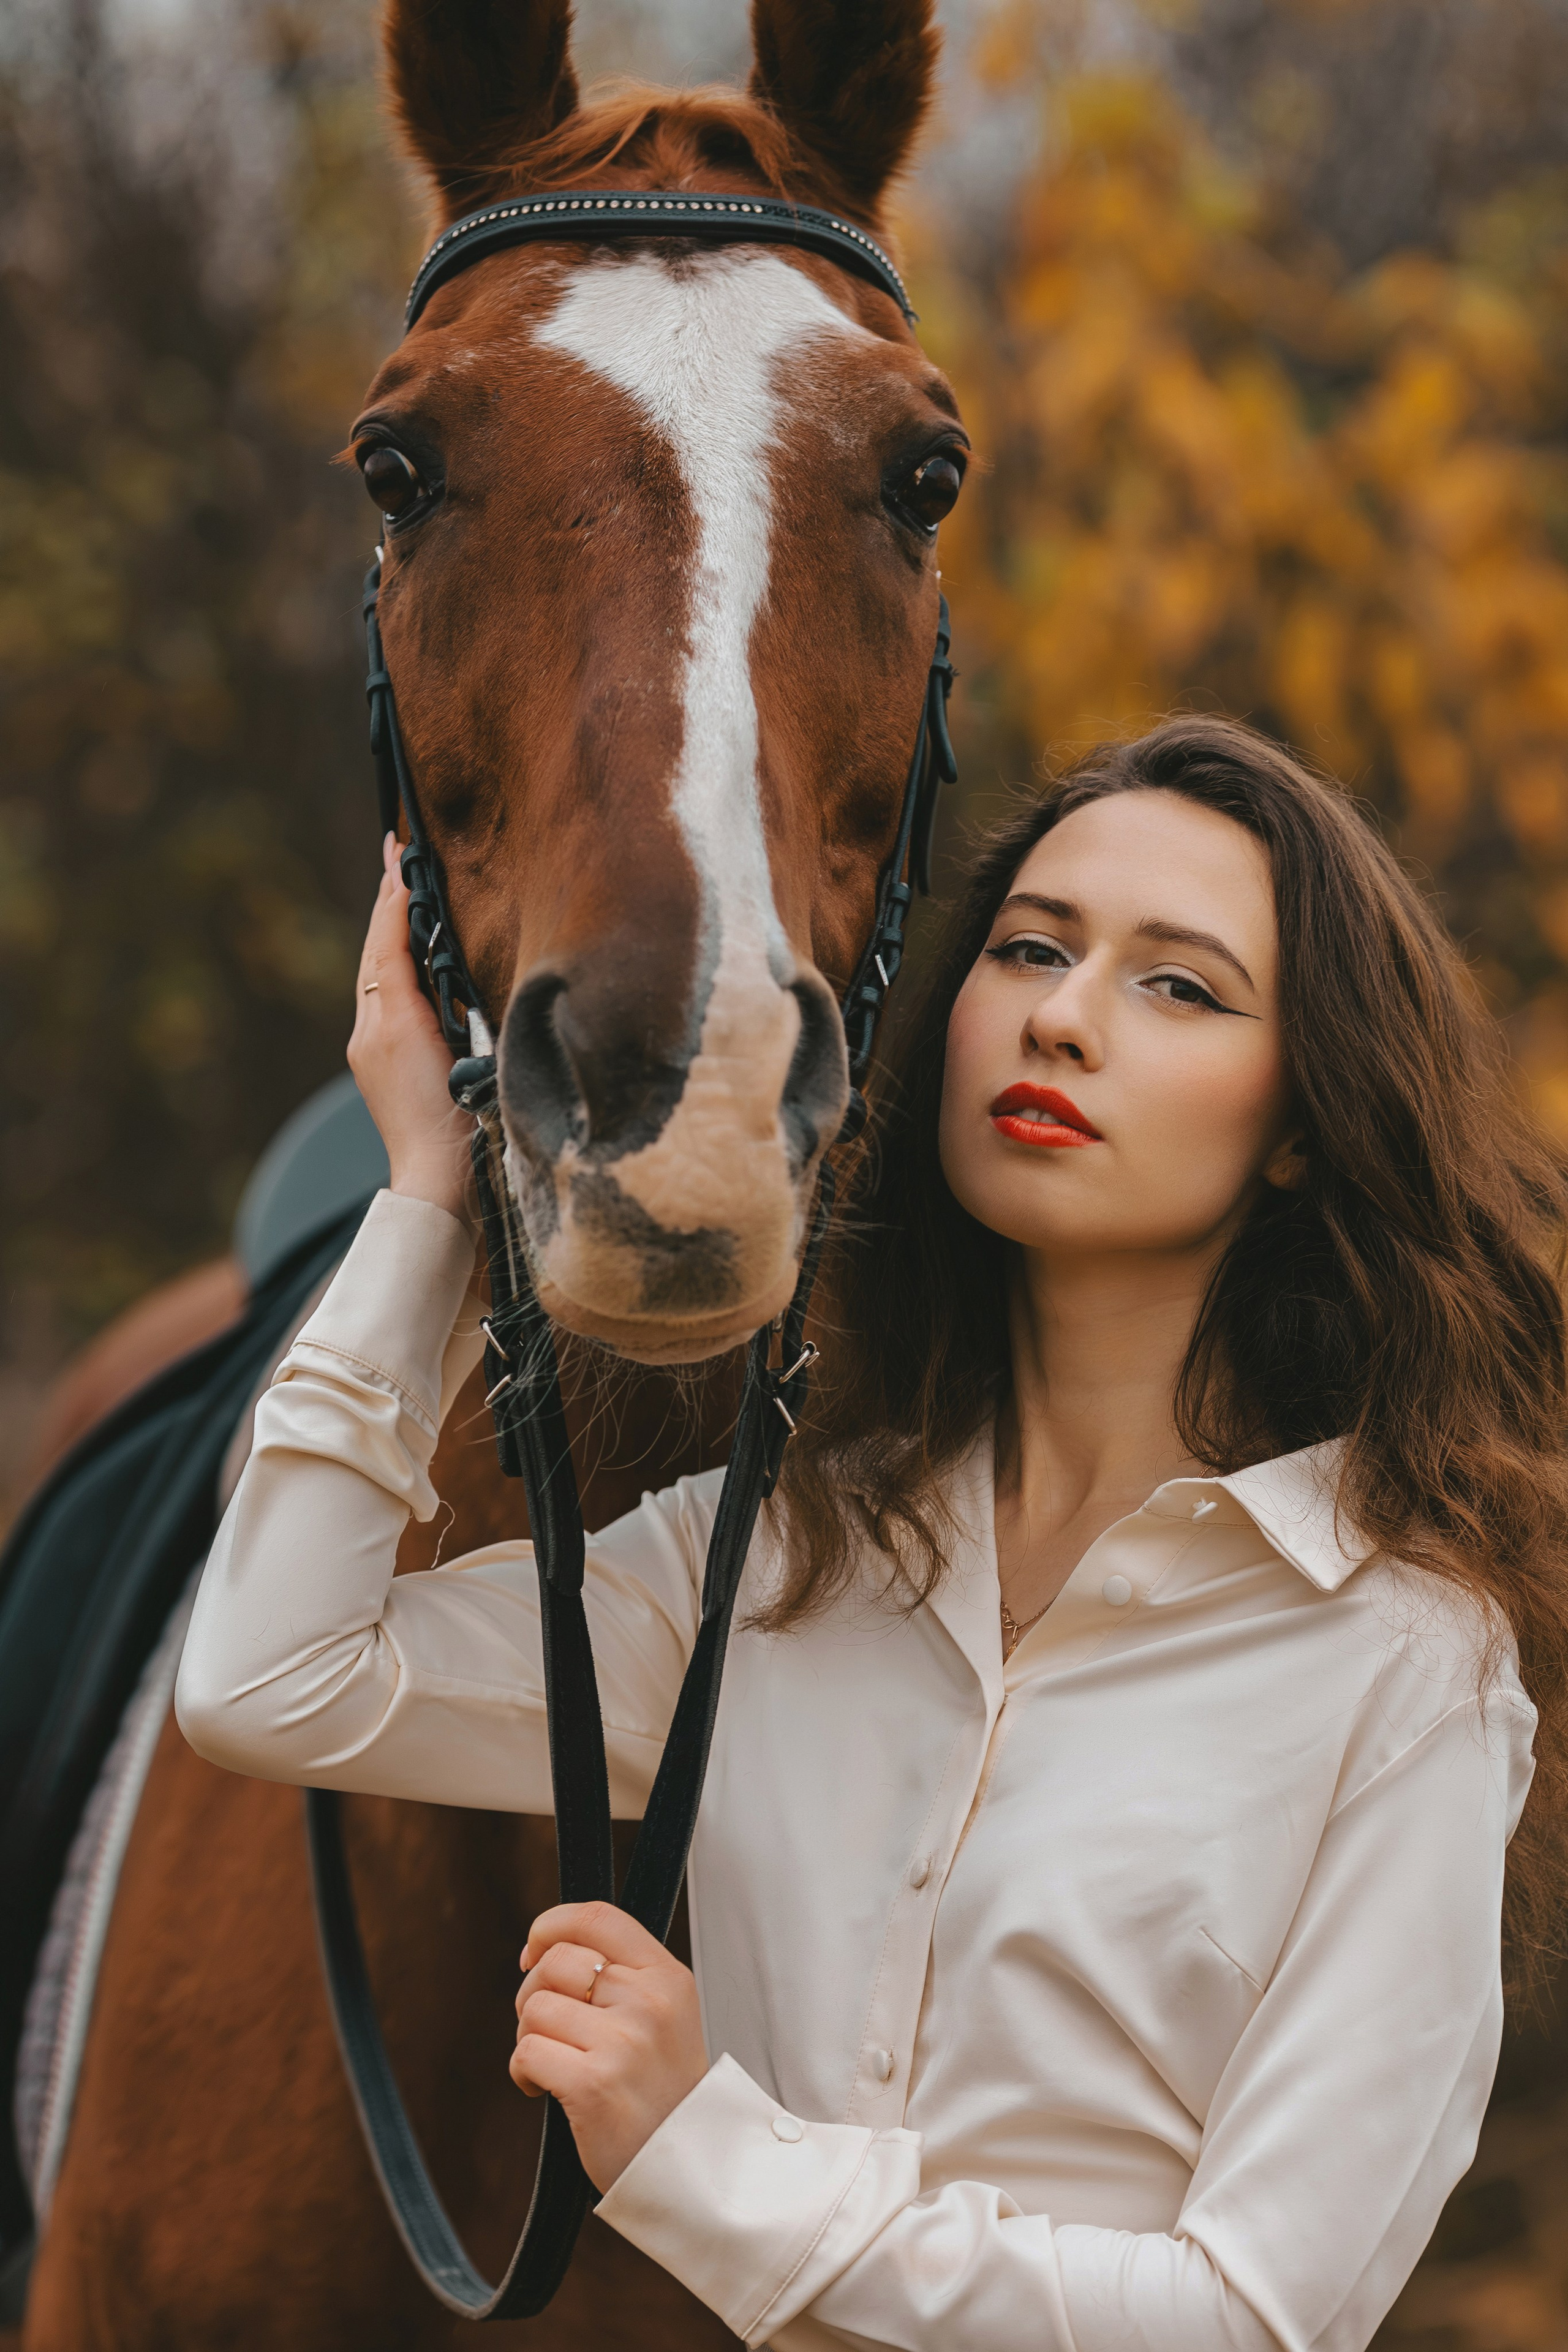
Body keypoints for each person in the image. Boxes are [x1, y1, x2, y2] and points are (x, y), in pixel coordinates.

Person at [177, 716, 1568, 2352]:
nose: (1059, 1014)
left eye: (1176, 985)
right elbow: (275, 1678)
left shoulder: (1401, 1655)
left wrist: (698, 2149)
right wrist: (428, 1191)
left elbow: (1252, 2318)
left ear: (1305, 1125)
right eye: (1033, 948)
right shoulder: (776, 1558)